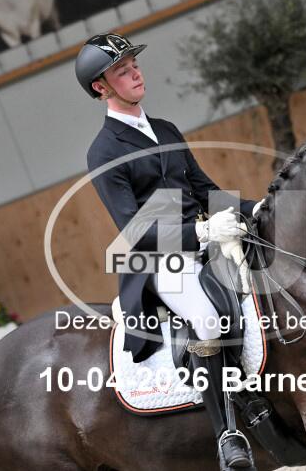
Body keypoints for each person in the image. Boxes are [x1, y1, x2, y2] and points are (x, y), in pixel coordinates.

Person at [76, 33, 263, 469]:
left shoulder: (165, 130)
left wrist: (259, 208)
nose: (135, 74)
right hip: (158, 260)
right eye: (122, 71)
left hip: (205, 243)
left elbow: (206, 190)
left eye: (134, 65)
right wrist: (201, 231)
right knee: (206, 317)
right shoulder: (103, 151)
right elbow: (135, 230)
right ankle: (227, 434)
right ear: (101, 87)